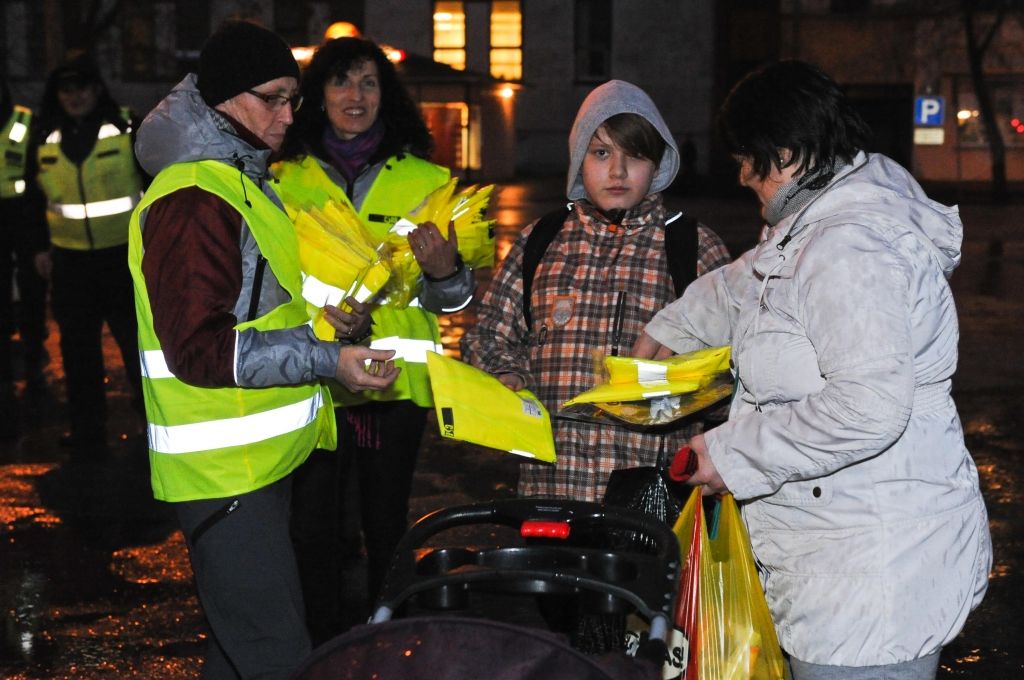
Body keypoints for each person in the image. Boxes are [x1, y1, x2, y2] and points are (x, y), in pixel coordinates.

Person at [633, 60, 992, 679]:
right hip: (843, 556)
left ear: (786, 152)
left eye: (747, 160)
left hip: (872, 578)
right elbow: (750, 284)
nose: (742, 177)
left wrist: (730, 454)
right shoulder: (816, 227)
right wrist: (674, 325)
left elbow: (867, 407)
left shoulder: (850, 248)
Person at [127, 21, 399, 678]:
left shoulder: (239, 180)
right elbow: (199, 349)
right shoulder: (197, 196)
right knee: (277, 656)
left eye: (292, 99)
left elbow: (255, 312)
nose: (288, 115)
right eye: (272, 98)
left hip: (251, 469)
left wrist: (326, 331)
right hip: (226, 478)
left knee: (240, 652)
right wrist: (327, 360)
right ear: (224, 98)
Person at [273, 37, 477, 638]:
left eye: (368, 82)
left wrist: (445, 273)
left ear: (387, 95)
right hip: (313, 378)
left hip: (394, 387)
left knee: (386, 526)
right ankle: (323, 647)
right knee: (314, 529)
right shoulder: (282, 179)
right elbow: (269, 285)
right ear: (318, 95)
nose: (355, 96)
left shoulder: (427, 181)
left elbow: (455, 300)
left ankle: (389, 642)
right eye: (341, 82)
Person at [461, 80, 731, 504]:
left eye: (635, 156)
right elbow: (490, 335)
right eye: (601, 153)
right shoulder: (540, 241)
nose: (618, 172)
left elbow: (735, 367)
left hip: (653, 499)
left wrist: (691, 386)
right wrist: (506, 375)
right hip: (550, 492)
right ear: (578, 160)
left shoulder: (694, 249)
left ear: (657, 164)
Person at [27, 53, 144, 454]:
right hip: (70, 262)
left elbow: (155, 185)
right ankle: (88, 434)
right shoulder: (44, 137)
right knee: (78, 354)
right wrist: (39, 248)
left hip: (123, 259)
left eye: (81, 88)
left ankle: (154, 426)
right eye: (66, 89)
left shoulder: (127, 128)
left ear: (96, 89)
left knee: (138, 349)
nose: (74, 97)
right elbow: (33, 199)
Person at [1, 77, 48, 440]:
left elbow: (38, 175)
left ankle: (33, 366)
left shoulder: (25, 121)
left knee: (31, 296)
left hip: (24, 216)